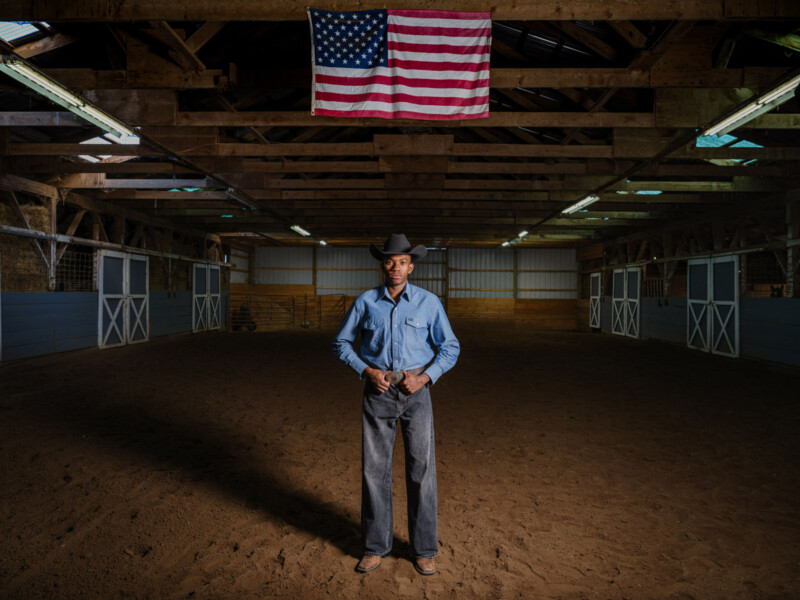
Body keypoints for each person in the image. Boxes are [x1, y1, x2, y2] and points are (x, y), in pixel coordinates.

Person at [333, 233, 460, 576]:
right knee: (375, 471)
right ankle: (375, 546)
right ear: (382, 264)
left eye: (402, 262)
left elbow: (450, 347)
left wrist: (425, 378)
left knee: (422, 472)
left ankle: (424, 549)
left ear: (411, 266)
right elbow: (342, 343)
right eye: (389, 261)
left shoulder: (429, 303)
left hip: (417, 393)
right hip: (378, 392)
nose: (395, 267)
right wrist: (366, 370)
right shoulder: (365, 303)